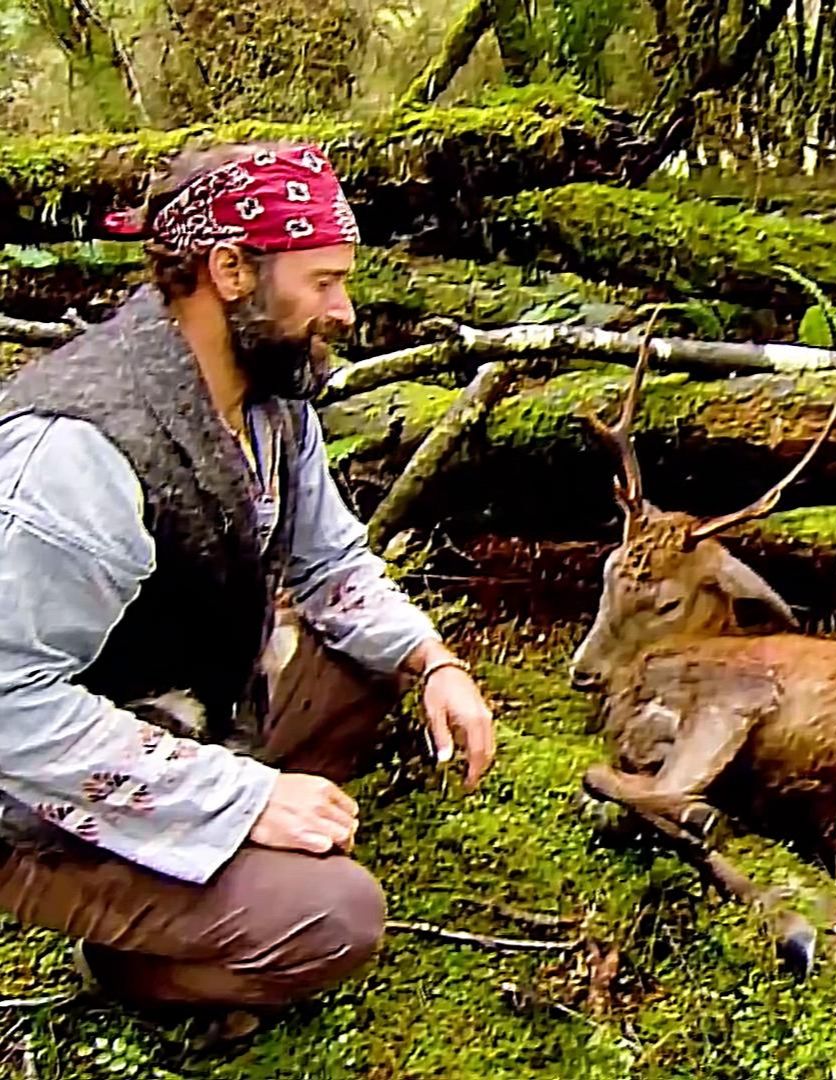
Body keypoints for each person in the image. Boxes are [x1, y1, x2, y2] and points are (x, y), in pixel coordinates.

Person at [0, 141, 496, 1023]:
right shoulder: (78, 450)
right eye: (323, 283)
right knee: (333, 918)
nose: (345, 311)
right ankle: (130, 961)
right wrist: (246, 796)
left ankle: (221, 846)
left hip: (186, 707)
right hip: (35, 795)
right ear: (230, 271)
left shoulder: (273, 399)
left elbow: (333, 566)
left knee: (370, 659)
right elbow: (9, 705)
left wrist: (432, 662)